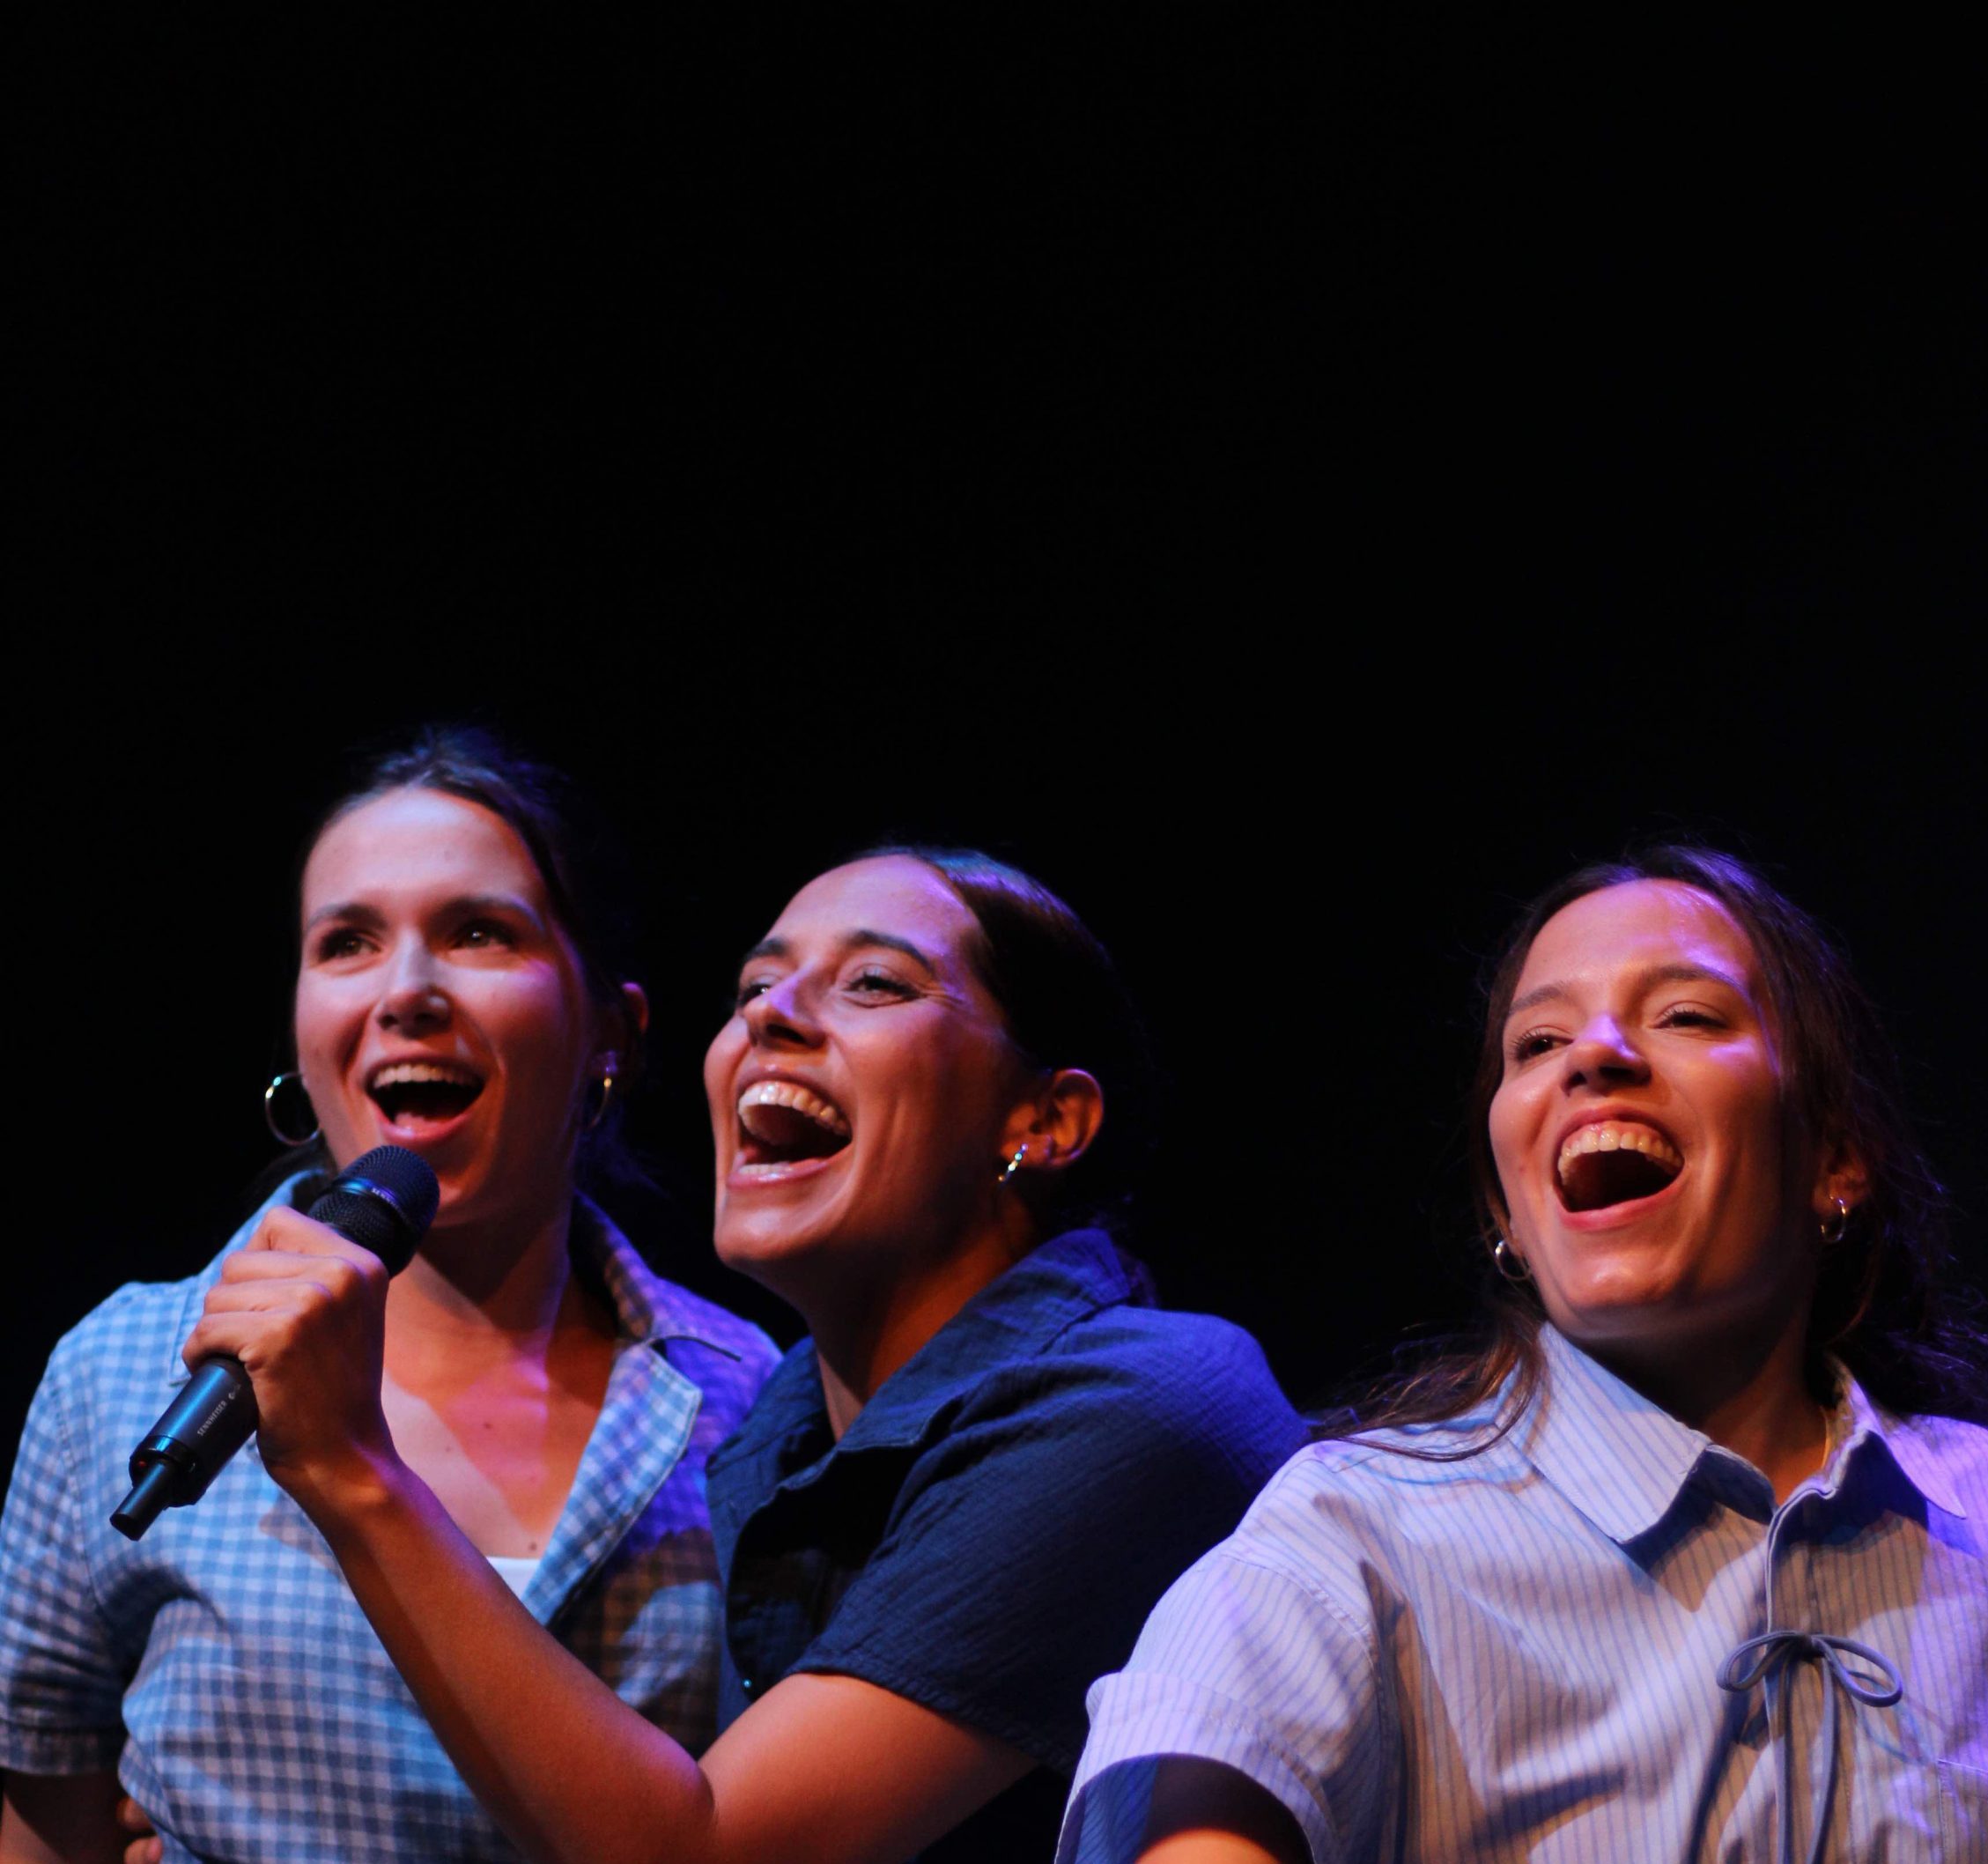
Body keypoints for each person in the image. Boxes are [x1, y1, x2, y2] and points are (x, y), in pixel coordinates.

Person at [136, 845, 1305, 1864]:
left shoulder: (1146, 1403)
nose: (768, 1017)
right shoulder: (774, 1422)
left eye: (874, 982)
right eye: (752, 987)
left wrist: (351, 1466)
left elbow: (702, 1847)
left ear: (1042, 1121)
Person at [1059, 845, 1988, 1864]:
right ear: (1508, 1209)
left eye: (1685, 1015)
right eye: (1538, 1040)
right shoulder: (1356, 1533)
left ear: (1834, 1159)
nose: (1594, 1054)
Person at [0, 729, 777, 1864]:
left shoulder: (746, 1397)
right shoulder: (121, 1371)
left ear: (610, 1031)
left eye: (479, 932)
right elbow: (46, 1820)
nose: (407, 990)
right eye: (347, 942)